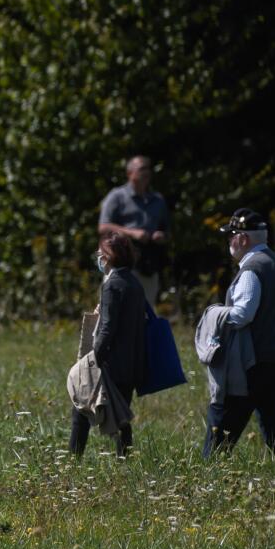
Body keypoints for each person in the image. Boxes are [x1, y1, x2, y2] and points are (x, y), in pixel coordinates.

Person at [203, 208, 275, 458]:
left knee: (223, 421)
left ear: (242, 239)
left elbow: (243, 314)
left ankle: (208, 471)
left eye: (231, 235)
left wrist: (215, 314)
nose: (229, 241)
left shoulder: (251, 269)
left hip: (252, 361)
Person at [71, 231, 147, 457]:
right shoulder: (133, 282)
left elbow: (107, 328)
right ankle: (124, 459)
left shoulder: (112, 284)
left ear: (109, 256)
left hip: (111, 362)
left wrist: (93, 359)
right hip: (131, 363)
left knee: (81, 408)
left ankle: (74, 460)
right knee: (122, 415)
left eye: (101, 253)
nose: (98, 258)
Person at [98, 155, 171, 304]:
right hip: (121, 259)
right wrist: (132, 233)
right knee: (117, 306)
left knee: (146, 308)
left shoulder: (157, 200)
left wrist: (161, 236)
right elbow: (103, 226)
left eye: (148, 169)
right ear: (130, 173)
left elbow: (167, 232)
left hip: (148, 262)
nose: (147, 172)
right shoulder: (117, 196)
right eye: (142, 168)